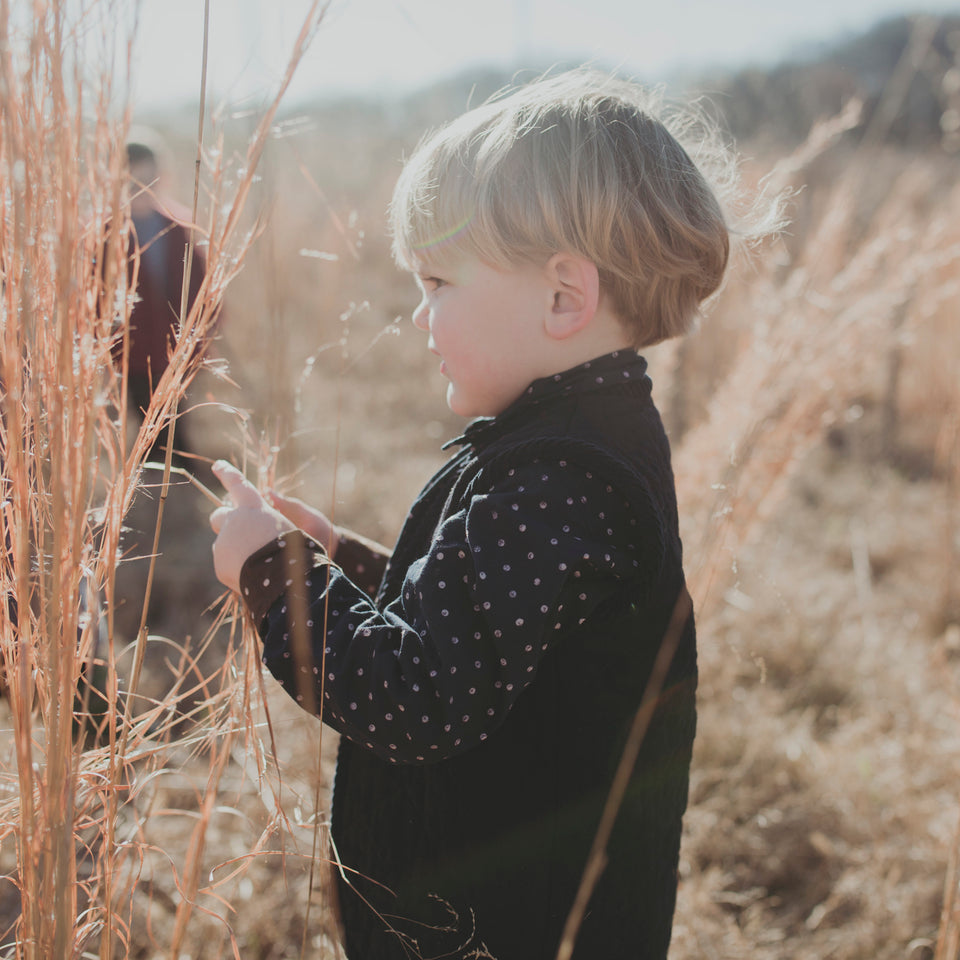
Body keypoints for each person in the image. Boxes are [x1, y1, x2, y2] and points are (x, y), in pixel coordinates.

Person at [209, 70, 749, 960]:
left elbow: (418, 697)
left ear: (563, 298)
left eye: (437, 281)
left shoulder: (563, 476)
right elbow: (495, 626)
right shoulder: (577, 437)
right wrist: (345, 561)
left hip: (506, 928)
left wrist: (278, 578)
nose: (419, 317)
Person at [120, 135, 209, 464]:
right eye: (132, 183)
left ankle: (179, 472)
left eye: (148, 181)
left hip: (175, 345)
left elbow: (202, 287)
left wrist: (201, 334)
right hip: (130, 351)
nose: (141, 191)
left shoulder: (179, 227)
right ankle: (152, 476)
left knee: (176, 413)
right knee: (142, 412)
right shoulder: (103, 234)